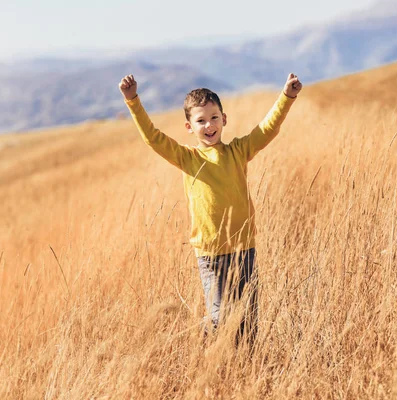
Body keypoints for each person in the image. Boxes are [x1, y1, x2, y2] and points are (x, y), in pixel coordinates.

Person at [119, 73, 302, 344]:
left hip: (244, 249)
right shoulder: (187, 158)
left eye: (214, 117)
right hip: (211, 254)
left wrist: (287, 96)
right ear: (189, 127)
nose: (209, 125)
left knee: (248, 321)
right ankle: (193, 339)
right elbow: (153, 138)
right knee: (219, 319)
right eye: (201, 120)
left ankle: (243, 367)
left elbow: (267, 129)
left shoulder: (238, 151)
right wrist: (132, 100)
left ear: (224, 119)